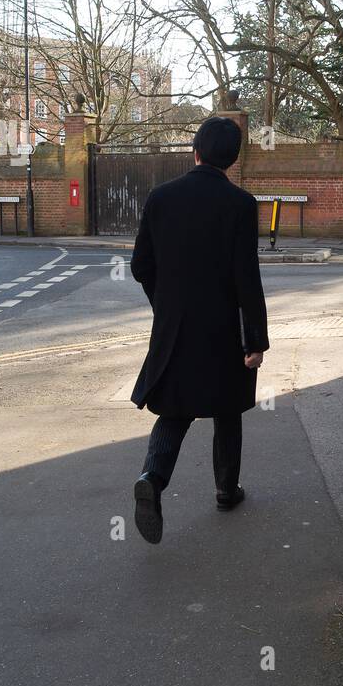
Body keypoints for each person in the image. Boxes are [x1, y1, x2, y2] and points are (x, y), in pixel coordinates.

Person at [129, 115, 269, 543]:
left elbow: (140, 266)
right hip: (224, 330)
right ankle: (227, 490)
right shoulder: (241, 204)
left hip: (174, 328)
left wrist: (165, 305)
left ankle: (152, 477)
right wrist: (255, 340)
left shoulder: (160, 197)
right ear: (232, 159)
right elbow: (247, 278)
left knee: (175, 410)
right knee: (227, 410)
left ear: (195, 151)